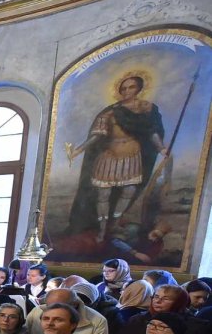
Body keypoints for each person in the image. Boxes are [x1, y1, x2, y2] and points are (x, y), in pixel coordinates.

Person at [66, 74, 168, 240]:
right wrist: (77, 150)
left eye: (131, 87)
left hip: (132, 157)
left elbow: (152, 132)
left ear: (139, 88)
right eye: (124, 88)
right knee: (103, 195)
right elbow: (96, 137)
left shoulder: (146, 109)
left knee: (128, 191)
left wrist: (161, 148)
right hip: (109, 157)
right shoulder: (111, 112)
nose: (127, 91)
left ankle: (115, 223)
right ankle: (102, 228)